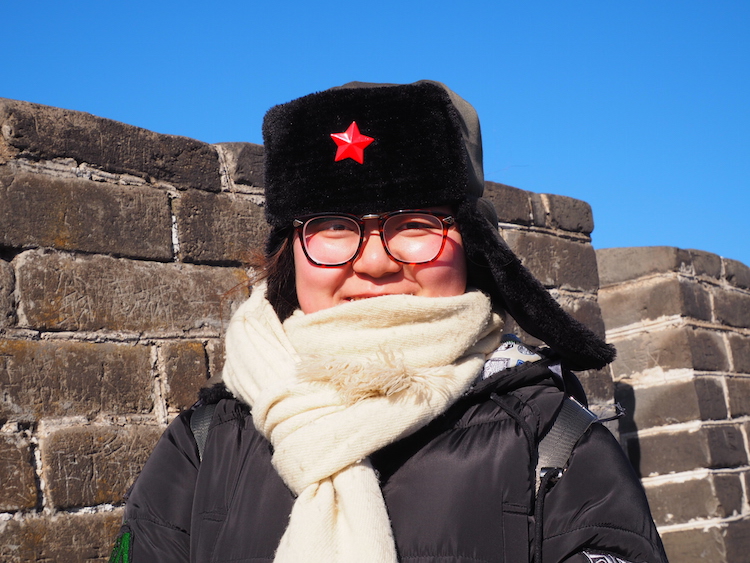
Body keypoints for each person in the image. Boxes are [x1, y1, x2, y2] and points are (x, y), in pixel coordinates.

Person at [111, 81, 668, 563]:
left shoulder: (554, 443)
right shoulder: (204, 444)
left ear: (473, 245)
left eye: (416, 223)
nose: (375, 262)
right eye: (334, 226)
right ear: (290, 253)